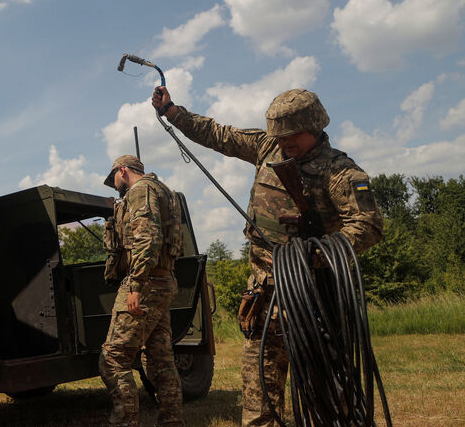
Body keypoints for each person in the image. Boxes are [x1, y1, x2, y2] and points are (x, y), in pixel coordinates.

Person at [151, 87, 383, 427]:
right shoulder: (266, 147)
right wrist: (173, 112)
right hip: (264, 299)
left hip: (314, 300)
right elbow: (219, 134)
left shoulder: (341, 172)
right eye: (280, 135)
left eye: (292, 136)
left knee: (329, 396)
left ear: (314, 127)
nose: (284, 143)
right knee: (259, 395)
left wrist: (313, 254)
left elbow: (369, 226)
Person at [100, 155, 184, 427]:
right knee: (160, 358)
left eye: (114, 180)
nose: (115, 187)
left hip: (144, 284)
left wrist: (135, 285)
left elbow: (148, 238)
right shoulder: (165, 192)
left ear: (122, 171)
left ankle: (125, 422)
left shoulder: (140, 191)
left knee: (113, 358)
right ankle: (171, 421)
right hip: (163, 281)